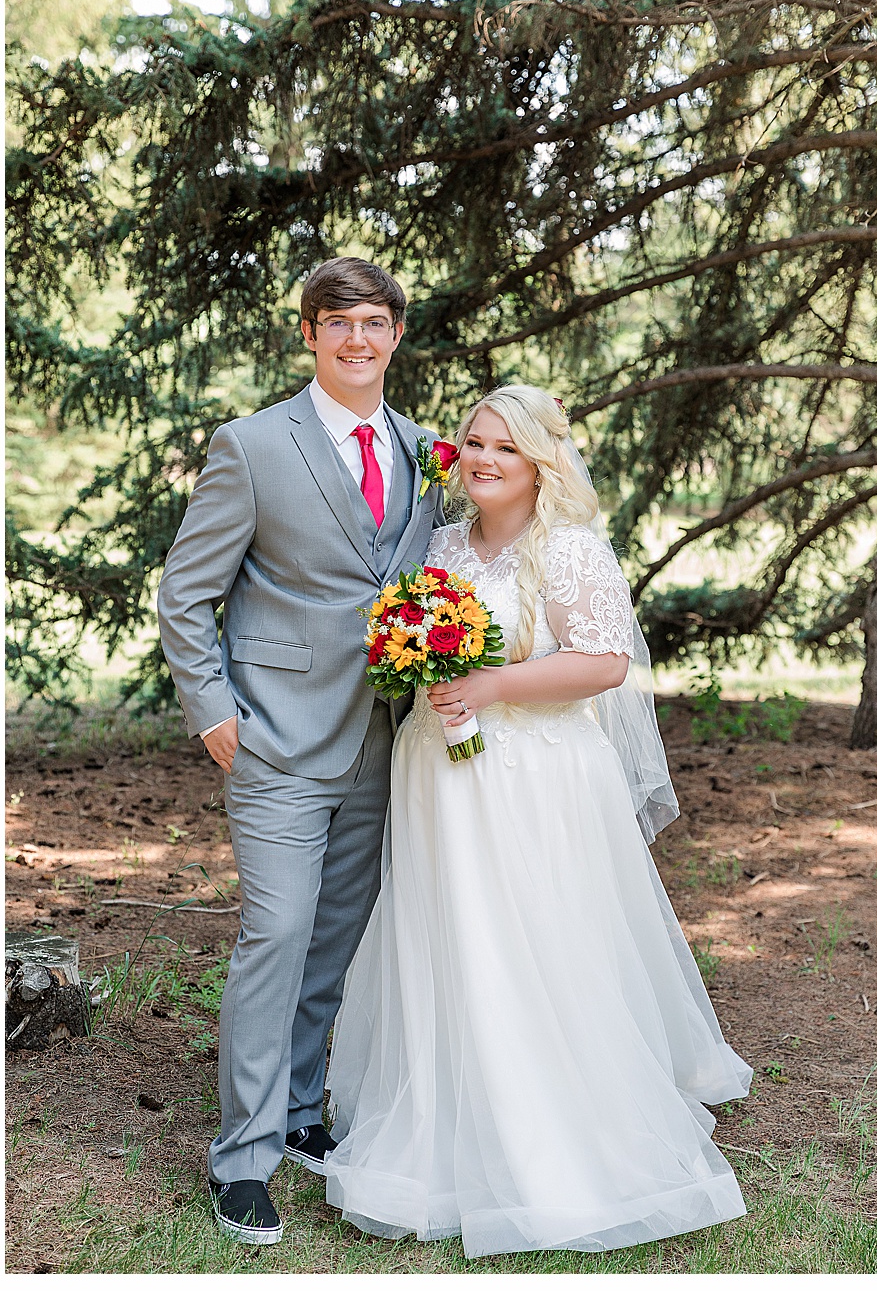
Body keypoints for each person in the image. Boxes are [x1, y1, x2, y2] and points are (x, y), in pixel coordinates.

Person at [323, 385, 752, 1256]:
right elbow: (413, 642)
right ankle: (450, 1108)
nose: (483, 459)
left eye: (505, 449)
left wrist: (488, 685)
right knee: (452, 935)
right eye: (474, 443)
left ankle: (555, 1120)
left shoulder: (570, 551)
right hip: (441, 774)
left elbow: (600, 666)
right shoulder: (440, 545)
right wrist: (416, 661)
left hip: (539, 775)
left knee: (537, 936)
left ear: (540, 464)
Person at [156, 256, 447, 1244]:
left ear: (396, 334)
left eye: (374, 323)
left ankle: (298, 1113)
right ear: (312, 335)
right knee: (276, 934)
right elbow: (185, 589)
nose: (357, 340)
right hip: (275, 738)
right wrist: (214, 713)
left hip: (383, 736)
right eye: (338, 324)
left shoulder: (423, 451)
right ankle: (240, 1160)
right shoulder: (251, 445)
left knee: (335, 938)